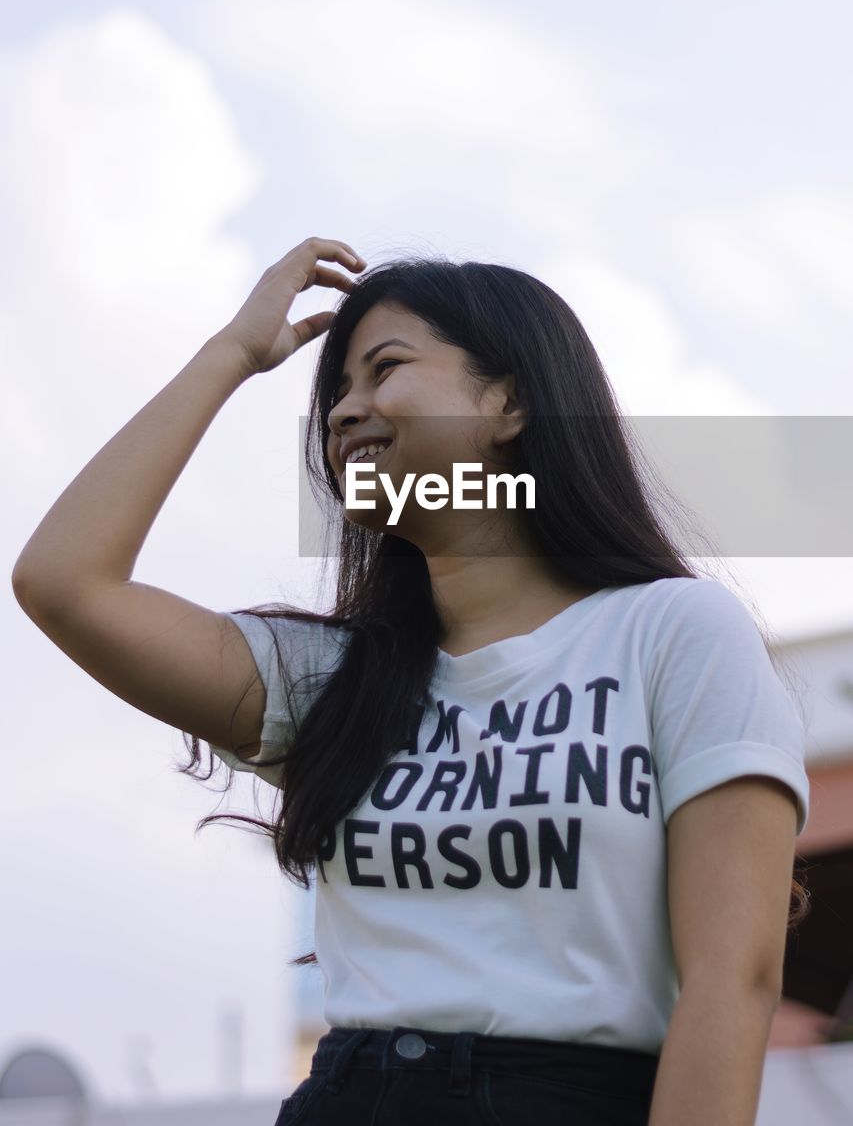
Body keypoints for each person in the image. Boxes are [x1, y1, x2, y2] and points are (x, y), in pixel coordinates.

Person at [12, 236, 811, 1126]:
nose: (346, 412)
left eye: (384, 369)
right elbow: (65, 582)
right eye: (335, 394)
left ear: (508, 400)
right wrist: (231, 355)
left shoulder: (672, 632)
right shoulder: (332, 678)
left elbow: (732, 981)